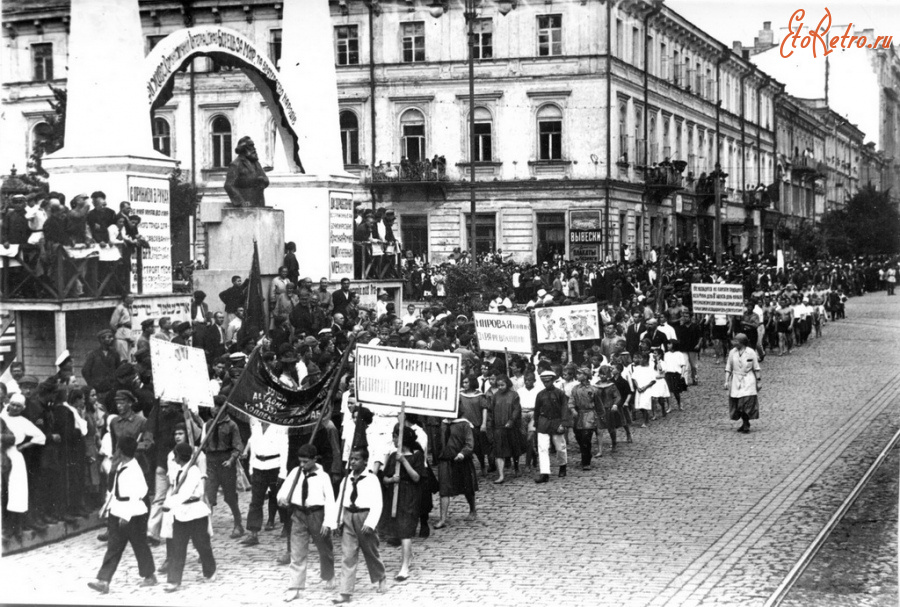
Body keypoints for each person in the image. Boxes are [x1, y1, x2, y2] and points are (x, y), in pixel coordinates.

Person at [88, 436, 157, 594]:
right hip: (117, 509)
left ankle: (149, 576)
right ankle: (104, 580)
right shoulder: (121, 466)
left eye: (117, 448)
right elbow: (115, 490)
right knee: (114, 546)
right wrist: (106, 506)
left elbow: (139, 493)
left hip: (132, 513)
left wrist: (126, 516)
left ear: (121, 451)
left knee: (139, 544)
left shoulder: (133, 470)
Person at [278, 444, 337, 603]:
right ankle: (295, 587)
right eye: (300, 462)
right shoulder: (295, 473)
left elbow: (331, 501)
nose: (302, 465)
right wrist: (282, 498)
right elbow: (283, 491)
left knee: (324, 548)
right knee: (297, 552)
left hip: (317, 515)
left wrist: (328, 522)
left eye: (305, 462)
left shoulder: (323, 476)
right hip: (298, 514)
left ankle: (328, 575)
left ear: (314, 459)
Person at [333, 447, 387, 603]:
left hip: (365, 517)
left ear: (365, 461)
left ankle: (381, 576)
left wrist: (371, 522)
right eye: (351, 459)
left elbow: (378, 503)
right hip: (349, 516)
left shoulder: (371, 479)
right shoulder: (346, 480)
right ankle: (345, 592)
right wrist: (337, 521)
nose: (353, 462)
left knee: (371, 551)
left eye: (356, 459)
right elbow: (340, 501)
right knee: (348, 554)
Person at [162, 442, 217, 592]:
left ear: (179, 456)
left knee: (202, 545)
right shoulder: (179, 470)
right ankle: (173, 580)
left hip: (196, 512)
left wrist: (170, 503)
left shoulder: (193, 472)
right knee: (177, 547)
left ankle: (210, 570)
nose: (174, 458)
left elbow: (185, 493)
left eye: (175, 455)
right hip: (181, 513)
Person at [379, 425, 426, 581]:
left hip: (410, 496)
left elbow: (416, 477)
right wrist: (391, 479)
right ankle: (408, 555)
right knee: (399, 530)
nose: (392, 439)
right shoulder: (393, 456)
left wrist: (404, 460)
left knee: (406, 530)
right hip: (395, 496)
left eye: (394, 436)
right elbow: (384, 478)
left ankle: (404, 568)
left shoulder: (417, 455)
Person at [1, 393, 46, 539]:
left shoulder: (23, 421)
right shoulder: (2, 416)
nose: (14, 408)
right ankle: (6, 526)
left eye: (18, 406)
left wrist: (25, 445)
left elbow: (41, 436)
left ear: (23, 408)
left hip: (14, 455)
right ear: (8, 403)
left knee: (16, 492)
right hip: (1, 453)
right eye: (13, 404)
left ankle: (16, 527)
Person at [241, 418, 288, 547]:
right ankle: (253, 533)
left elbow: (285, 448)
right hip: (258, 467)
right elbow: (253, 447)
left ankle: (287, 526)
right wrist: (251, 469)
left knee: (280, 498)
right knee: (256, 501)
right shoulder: (255, 424)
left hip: (275, 466)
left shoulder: (280, 426)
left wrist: (282, 472)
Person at [202, 395, 245, 539]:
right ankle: (205, 529)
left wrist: (231, 460)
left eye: (215, 406)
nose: (212, 409)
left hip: (225, 462)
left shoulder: (232, 425)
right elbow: (203, 443)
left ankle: (238, 524)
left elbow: (238, 446)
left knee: (230, 497)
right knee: (209, 496)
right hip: (211, 462)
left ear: (223, 408)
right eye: (211, 406)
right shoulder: (208, 424)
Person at [533, 370, 571, 483]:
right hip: (543, 423)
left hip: (556, 421)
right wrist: (536, 424)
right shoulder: (540, 395)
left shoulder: (560, 393)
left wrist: (563, 424)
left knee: (560, 447)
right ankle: (544, 473)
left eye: (548, 381)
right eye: (544, 382)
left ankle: (563, 465)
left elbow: (564, 408)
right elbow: (537, 410)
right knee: (543, 448)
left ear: (553, 380)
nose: (546, 384)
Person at [725, 333, 761, 434]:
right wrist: (726, 381)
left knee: (746, 403)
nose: (734, 342)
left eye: (736, 341)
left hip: (748, 379)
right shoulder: (732, 352)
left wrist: (758, 381)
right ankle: (745, 421)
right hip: (736, 379)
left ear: (742, 342)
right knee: (737, 404)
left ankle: (746, 423)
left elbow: (756, 367)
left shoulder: (751, 352)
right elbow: (728, 367)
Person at [488, 374, 522, 483]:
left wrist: (511, 420)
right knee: (499, 451)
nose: (500, 387)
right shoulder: (495, 396)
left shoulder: (514, 395)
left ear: (507, 384)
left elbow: (517, 409)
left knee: (514, 449)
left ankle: (516, 467)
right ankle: (501, 475)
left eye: (502, 385)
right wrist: (491, 425)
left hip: (511, 427)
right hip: (498, 427)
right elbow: (491, 411)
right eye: (498, 386)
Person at [570, 368, 601, 470]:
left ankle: (586, 462)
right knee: (578, 436)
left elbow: (598, 403)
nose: (577, 376)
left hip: (589, 415)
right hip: (578, 415)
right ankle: (586, 454)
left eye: (580, 374)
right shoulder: (575, 389)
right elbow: (571, 401)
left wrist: (600, 417)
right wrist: (573, 409)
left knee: (586, 437)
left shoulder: (593, 389)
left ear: (586, 376)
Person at [82, 330, 122, 400]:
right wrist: (92, 384)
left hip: (111, 389)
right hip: (98, 391)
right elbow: (85, 371)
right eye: (106, 337)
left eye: (110, 337)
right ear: (101, 340)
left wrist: (115, 383)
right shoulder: (93, 354)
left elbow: (119, 370)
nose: (109, 339)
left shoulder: (115, 354)